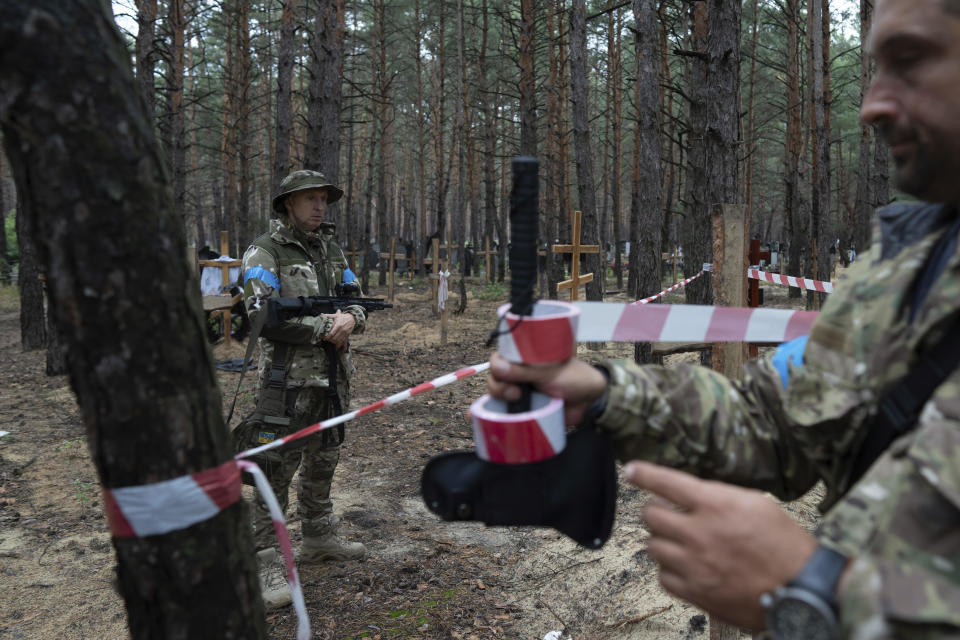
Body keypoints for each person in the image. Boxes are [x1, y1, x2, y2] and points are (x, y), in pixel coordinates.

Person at [487, 0, 960, 637]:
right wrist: (603, 396)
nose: (871, 105)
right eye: (874, 68)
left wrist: (819, 595)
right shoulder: (908, 262)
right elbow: (777, 426)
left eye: (909, 60)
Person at [241, 170, 367, 609]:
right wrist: (323, 326)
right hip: (285, 380)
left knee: (325, 455)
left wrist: (351, 318)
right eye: (309, 199)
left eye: (323, 199)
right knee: (275, 467)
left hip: (333, 376)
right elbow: (261, 314)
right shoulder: (265, 251)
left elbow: (356, 297)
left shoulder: (330, 249)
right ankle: (263, 559)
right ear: (288, 205)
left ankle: (318, 535)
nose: (318, 207)